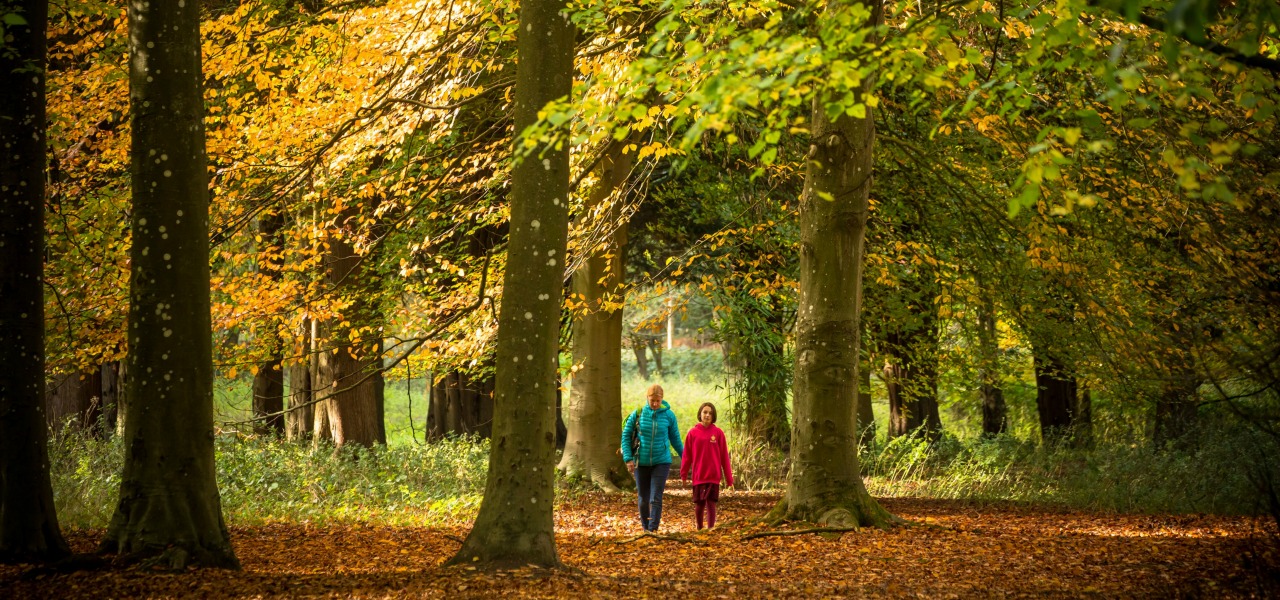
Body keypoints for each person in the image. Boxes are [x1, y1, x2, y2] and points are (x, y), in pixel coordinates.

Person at [621, 384, 683, 532]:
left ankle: (653, 529)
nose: (655, 404)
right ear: (647, 398)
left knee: (655, 497)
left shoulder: (669, 416)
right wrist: (628, 459)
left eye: (658, 400)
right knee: (643, 499)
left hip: (661, 461)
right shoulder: (637, 414)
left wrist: (686, 458)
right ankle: (645, 529)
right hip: (641, 462)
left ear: (662, 399)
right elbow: (625, 435)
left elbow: (675, 439)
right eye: (652, 400)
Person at [680, 402, 734, 530]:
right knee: (699, 504)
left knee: (711, 504)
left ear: (713, 416)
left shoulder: (718, 433)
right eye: (705, 412)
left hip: (713, 475)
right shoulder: (692, 433)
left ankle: (711, 529)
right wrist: (683, 475)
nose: (707, 415)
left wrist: (729, 479)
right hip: (699, 475)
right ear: (700, 414)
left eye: (710, 413)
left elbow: (724, 458)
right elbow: (687, 456)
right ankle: (699, 528)